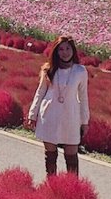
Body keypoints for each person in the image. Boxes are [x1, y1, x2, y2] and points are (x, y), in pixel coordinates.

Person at [26, 36, 89, 176]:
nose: (64, 52)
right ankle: (52, 185)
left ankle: (72, 188)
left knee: (71, 155)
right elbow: (40, 92)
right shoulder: (48, 69)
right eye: (60, 49)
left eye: (68, 48)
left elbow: (84, 97)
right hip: (49, 115)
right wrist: (32, 114)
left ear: (73, 50)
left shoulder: (80, 71)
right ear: (56, 51)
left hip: (71, 116)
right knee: (50, 155)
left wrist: (85, 121)